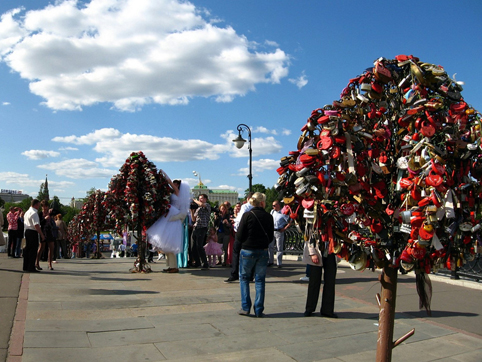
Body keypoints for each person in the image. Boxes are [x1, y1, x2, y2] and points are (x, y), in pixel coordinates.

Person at [236, 192, 274, 318]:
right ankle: (259, 309)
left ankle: (245, 307)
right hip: (262, 250)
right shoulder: (269, 216)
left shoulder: (247, 215)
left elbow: (239, 235)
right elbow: (270, 237)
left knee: (244, 279)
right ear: (262, 202)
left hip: (247, 250)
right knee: (260, 280)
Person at [147, 171, 190, 273]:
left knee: (169, 243)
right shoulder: (176, 193)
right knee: (166, 244)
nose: (174, 185)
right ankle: (171, 266)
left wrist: (165, 175)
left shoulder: (177, 192)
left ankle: (174, 266)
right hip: (171, 214)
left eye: (176, 184)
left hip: (173, 214)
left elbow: (169, 182)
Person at [303, 235, 338, 318]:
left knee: (330, 281)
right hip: (317, 250)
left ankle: (327, 310)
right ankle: (309, 308)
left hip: (331, 250)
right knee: (314, 281)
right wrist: (312, 253)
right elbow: (309, 235)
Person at [225, 193, 253, 283]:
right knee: (250, 254)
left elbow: (240, 219)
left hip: (241, 233)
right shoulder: (257, 207)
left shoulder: (245, 206)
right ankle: (250, 275)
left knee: (236, 253)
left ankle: (234, 274)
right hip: (251, 234)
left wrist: (235, 223)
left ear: (248, 198)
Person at [23, 199, 45, 273]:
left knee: (28, 249)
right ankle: (31, 267)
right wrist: (41, 234)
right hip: (32, 232)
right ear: (35, 205)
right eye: (38, 205)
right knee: (33, 250)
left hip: (27, 231)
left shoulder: (27, 212)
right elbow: (36, 225)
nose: (39, 207)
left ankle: (26, 266)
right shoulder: (34, 213)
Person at [190, 193, 211, 269]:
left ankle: (205, 263)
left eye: (201, 198)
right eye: (199, 198)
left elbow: (202, 205)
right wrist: (191, 210)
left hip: (202, 228)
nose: (200, 200)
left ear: (205, 199)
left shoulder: (207, 205)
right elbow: (193, 219)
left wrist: (193, 200)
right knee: (193, 246)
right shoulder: (198, 208)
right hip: (196, 227)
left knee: (199, 246)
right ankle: (197, 262)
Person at [269, 200, 291, 268]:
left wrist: (284, 228)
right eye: (273, 205)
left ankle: (279, 263)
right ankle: (270, 261)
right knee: (270, 247)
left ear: (278, 205)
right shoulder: (272, 212)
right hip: (272, 230)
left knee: (279, 247)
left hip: (279, 231)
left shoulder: (283, 213)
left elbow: (290, 221)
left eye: (274, 205)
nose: (273, 207)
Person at [36, 201, 56, 271]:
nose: (45, 208)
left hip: (49, 231)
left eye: (46, 206)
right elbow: (39, 223)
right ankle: (37, 262)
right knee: (42, 247)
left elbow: (57, 212)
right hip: (43, 231)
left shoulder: (49, 213)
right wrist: (45, 219)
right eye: (44, 206)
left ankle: (50, 263)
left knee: (51, 247)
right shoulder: (40, 214)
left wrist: (51, 212)